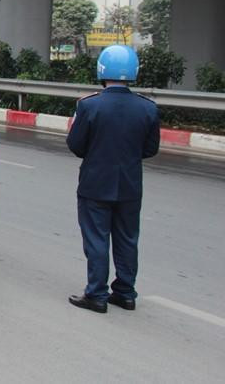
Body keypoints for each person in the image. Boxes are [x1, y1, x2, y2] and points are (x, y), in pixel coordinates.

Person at [66, 45, 160, 313]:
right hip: (130, 185)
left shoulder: (89, 105)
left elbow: (76, 145)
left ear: (102, 70)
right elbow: (150, 149)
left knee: (97, 239)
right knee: (128, 239)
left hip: (95, 184)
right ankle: (125, 293)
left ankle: (96, 294)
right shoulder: (148, 108)